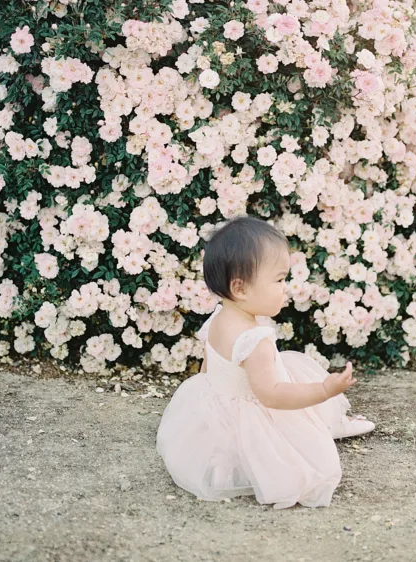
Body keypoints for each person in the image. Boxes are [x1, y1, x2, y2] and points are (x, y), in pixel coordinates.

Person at [156, 214, 375, 509]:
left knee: (288, 366)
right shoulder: (254, 341)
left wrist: (205, 415)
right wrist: (323, 390)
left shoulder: (217, 319)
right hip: (254, 409)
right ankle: (324, 425)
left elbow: (207, 371)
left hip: (215, 402)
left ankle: (220, 450)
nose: (286, 288)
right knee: (299, 418)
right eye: (279, 279)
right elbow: (273, 395)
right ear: (241, 288)